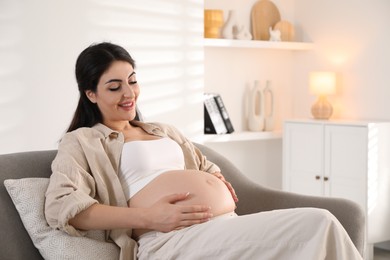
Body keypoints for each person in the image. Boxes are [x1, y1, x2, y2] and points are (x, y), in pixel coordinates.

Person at [45, 42, 363, 260]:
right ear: (90, 93)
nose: (129, 93)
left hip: (224, 226)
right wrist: (150, 217)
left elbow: (202, 166)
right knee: (319, 223)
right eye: (114, 87)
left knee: (321, 228)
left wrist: (214, 180)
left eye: (132, 81)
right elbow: (63, 208)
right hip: (170, 241)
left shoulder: (162, 131)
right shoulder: (83, 142)